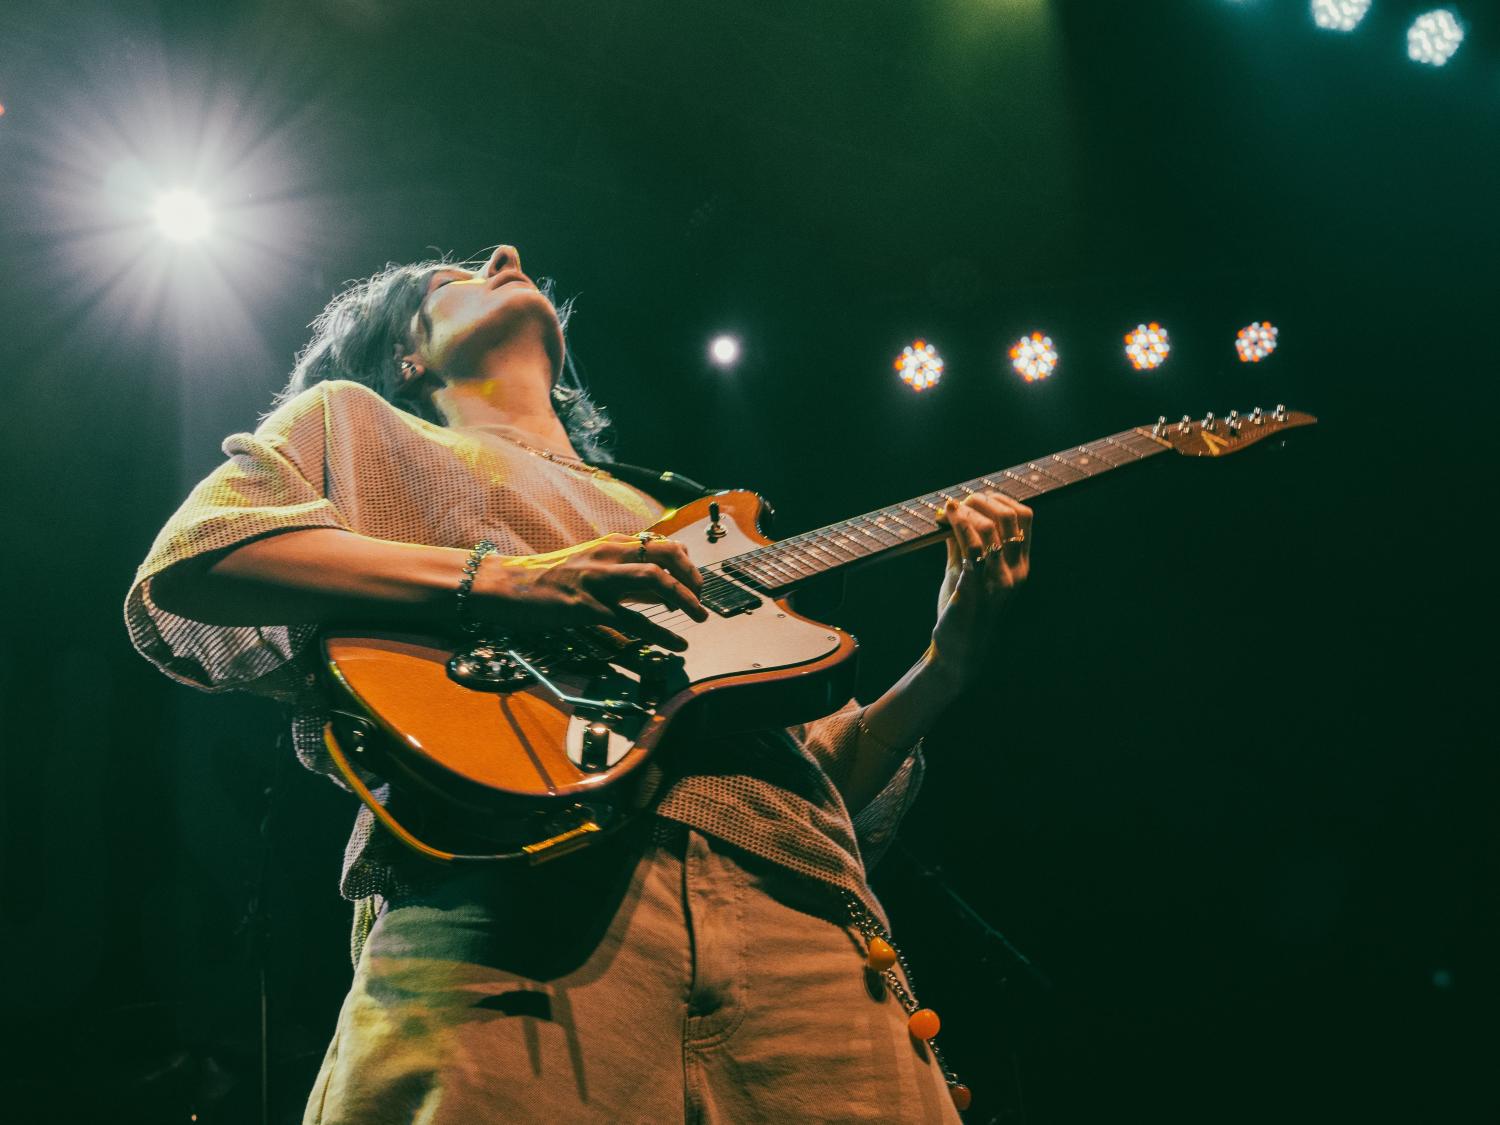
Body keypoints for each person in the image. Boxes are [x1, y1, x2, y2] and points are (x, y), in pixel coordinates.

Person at [125, 243, 1034, 1123]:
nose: (507, 254)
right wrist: (517, 581)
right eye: (459, 277)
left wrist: (942, 667)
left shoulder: (686, 528)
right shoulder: (357, 425)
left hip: (799, 926)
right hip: (504, 906)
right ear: (405, 356)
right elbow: (203, 555)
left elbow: (821, 782)